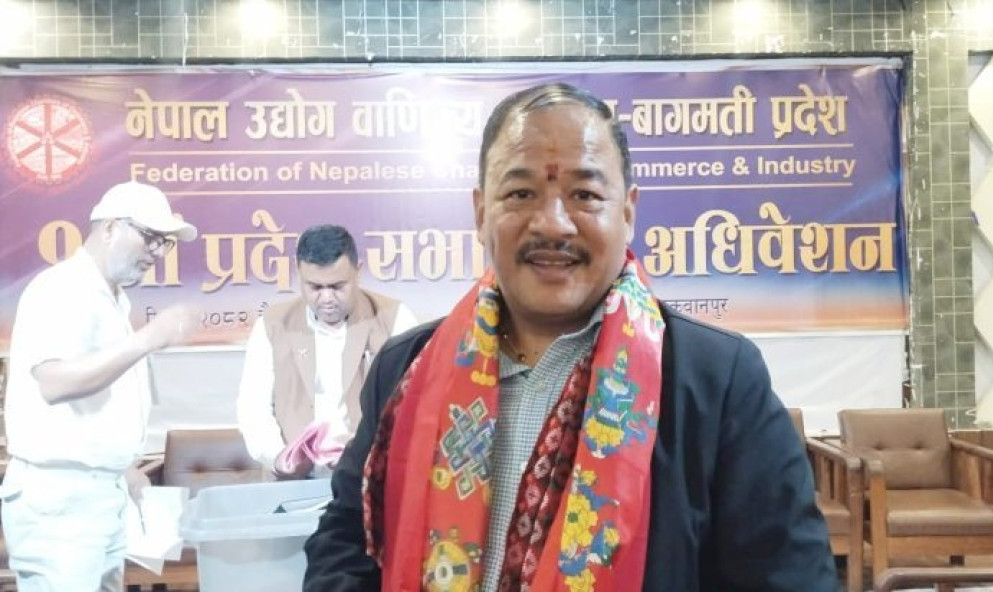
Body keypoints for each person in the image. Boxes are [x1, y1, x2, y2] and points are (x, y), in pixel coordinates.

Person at [302, 83, 838, 591]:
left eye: (584, 193)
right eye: (521, 193)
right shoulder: (407, 369)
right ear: (481, 212)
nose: (553, 224)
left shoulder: (717, 382)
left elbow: (789, 577)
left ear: (627, 212)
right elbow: (346, 542)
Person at [0, 181, 201, 592]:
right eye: (150, 237)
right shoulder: (62, 288)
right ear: (110, 228)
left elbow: (96, 411)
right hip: (60, 500)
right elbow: (55, 383)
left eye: (164, 243)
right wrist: (146, 340)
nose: (157, 252)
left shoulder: (111, 299)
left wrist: (124, 469)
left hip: (101, 494)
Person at [236, 224, 418, 480]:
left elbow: (413, 405)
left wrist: (365, 456)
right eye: (315, 287)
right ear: (298, 274)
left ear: (358, 271)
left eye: (337, 286)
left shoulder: (395, 318)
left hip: (369, 481)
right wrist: (278, 458)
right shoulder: (272, 325)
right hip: (293, 484)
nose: (327, 298)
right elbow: (253, 408)